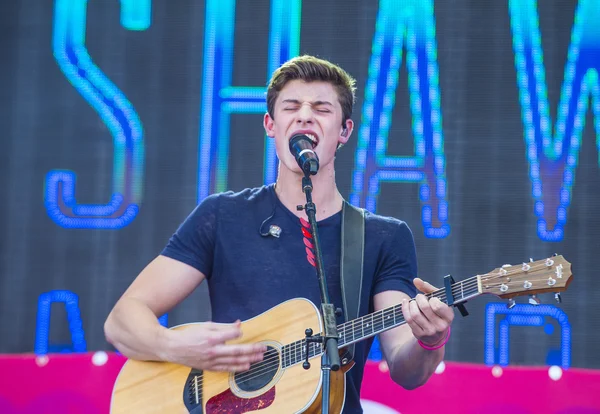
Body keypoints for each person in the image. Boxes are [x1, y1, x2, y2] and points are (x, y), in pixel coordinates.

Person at [104, 55, 454, 413]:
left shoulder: (382, 237)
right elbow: (122, 320)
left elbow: (406, 368)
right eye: (291, 106)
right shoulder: (222, 215)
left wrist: (432, 340)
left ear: (345, 131)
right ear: (271, 124)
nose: (305, 115)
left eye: (321, 108)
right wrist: (176, 347)